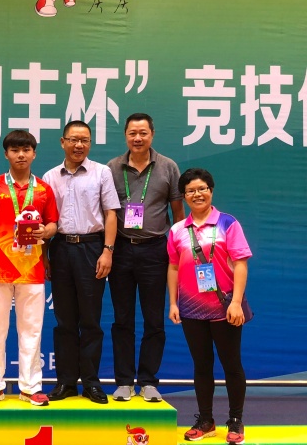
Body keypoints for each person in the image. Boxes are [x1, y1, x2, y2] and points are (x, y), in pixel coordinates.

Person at [167, 168, 251, 445]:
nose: (197, 194)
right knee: (201, 367)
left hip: (224, 308)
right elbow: (173, 266)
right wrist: (173, 302)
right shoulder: (177, 230)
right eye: (191, 191)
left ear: (211, 191)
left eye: (202, 188)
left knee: (231, 365)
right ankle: (206, 421)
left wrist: (236, 303)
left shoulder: (228, 223)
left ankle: (235, 421)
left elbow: (240, 264)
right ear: (184, 196)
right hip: (191, 309)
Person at [0, 130, 59, 407]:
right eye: (14, 150)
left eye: (26, 150)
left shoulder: (44, 189)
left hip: (32, 269)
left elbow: (53, 224)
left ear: (34, 153)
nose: (20, 155)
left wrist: (46, 232)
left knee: (31, 331)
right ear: (6, 154)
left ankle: (31, 387)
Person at [107, 113, 185, 402]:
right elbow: (107, 212)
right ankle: (124, 381)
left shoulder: (168, 167)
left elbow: (177, 212)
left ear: (152, 134)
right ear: (125, 136)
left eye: (143, 133)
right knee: (122, 319)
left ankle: (149, 381)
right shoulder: (112, 168)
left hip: (155, 250)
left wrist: (178, 249)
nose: (137, 138)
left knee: (154, 319)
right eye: (132, 133)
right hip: (121, 249)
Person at [42, 120, 120, 404]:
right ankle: (65, 382)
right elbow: (46, 220)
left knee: (90, 319)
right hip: (61, 248)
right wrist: (45, 256)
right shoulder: (50, 177)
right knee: (64, 320)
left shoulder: (102, 172)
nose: (79, 145)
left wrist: (107, 251)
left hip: (91, 248)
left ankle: (91, 382)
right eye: (73, 140)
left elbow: (111, 214)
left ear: (90, 143)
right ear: (63, 142)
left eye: (84, 140)